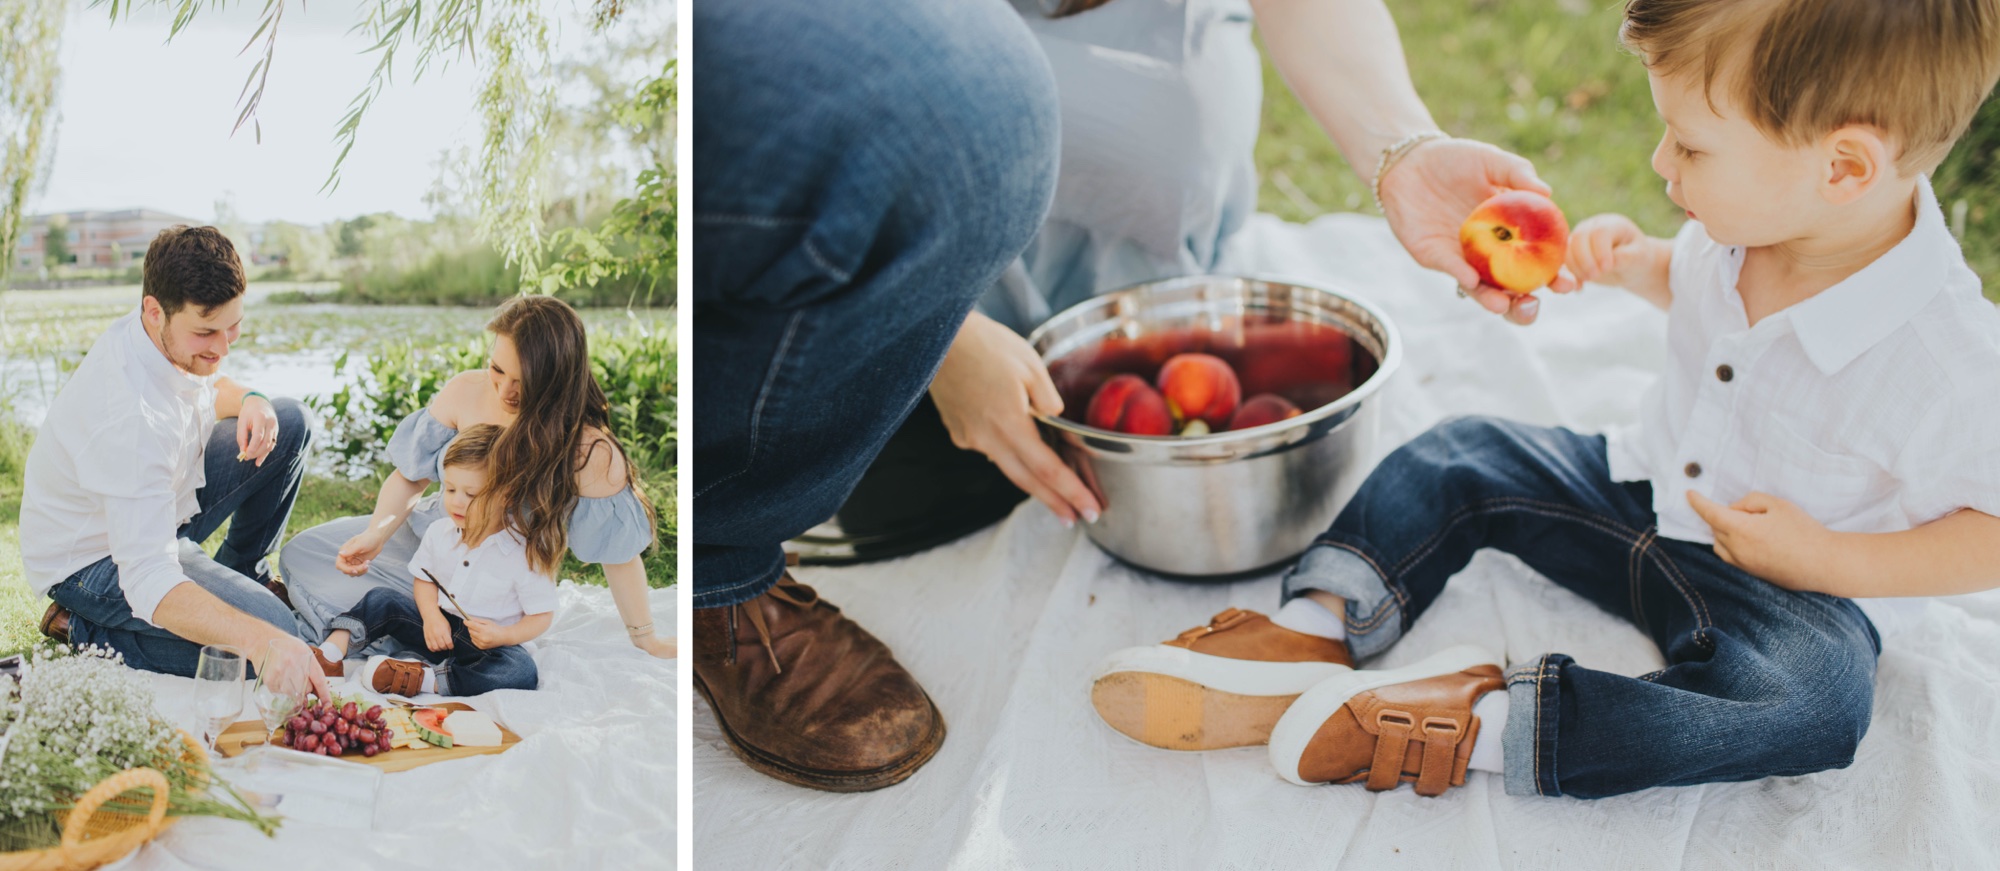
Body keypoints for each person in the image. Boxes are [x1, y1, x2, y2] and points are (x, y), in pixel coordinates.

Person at [1091, 0, 2000, 799]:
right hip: (1636, 493)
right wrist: (1639, 265)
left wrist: (1831, 559)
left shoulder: (1951, 359)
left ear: (1843, 167)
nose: (1659, 162)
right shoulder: (1765, 220)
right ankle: (1312, 631)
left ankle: (1477, 724)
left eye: (1689, 145)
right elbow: (1708, 299)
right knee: (1465, 450)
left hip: (1792, 598)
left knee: (1816, 708)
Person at [695, 0, 1569, 792]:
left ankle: (1308, 632)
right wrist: (940, 336)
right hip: (887, 303)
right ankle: (721, 567)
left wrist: (1401, 148)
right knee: (887, 480)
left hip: (1146, 295)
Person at [22, 225, 330, 699]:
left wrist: (250, 398)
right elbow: (146, 575)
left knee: (288, 420)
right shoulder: (127, 416)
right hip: (94, 560)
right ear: (153, 310)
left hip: (164, 507)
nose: (223, 347)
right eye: (207, 332)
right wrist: (257, 639)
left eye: (233, 326)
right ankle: (84, 629)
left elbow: (210, 385)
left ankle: (242, 574)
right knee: (269, 636)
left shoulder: (162, 335)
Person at [280, 295, 668, 662]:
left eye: (524, 380)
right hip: (432, 540)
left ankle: (396, 621)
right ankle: (414, 617)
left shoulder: (588, 451)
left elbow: (619, 555)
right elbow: (409, 479)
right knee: (303, 552)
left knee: (438, 606)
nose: (505, 389)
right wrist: (376, 535)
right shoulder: (466, 390)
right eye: (498, 369)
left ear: (557, 378)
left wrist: (645, 637)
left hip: (494, 580)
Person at [314, 425, 553, 697]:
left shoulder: (524, 552)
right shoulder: (440, 532)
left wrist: (503, 636)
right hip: (435, 630)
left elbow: (541, 615)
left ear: (506, 494)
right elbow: (424, 579)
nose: (457, 502)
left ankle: (425, 680)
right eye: (450, 490)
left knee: (520, 670)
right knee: (383, 599)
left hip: (488, 645)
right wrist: (430, 617)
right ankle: (329, 654)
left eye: (471, 494)